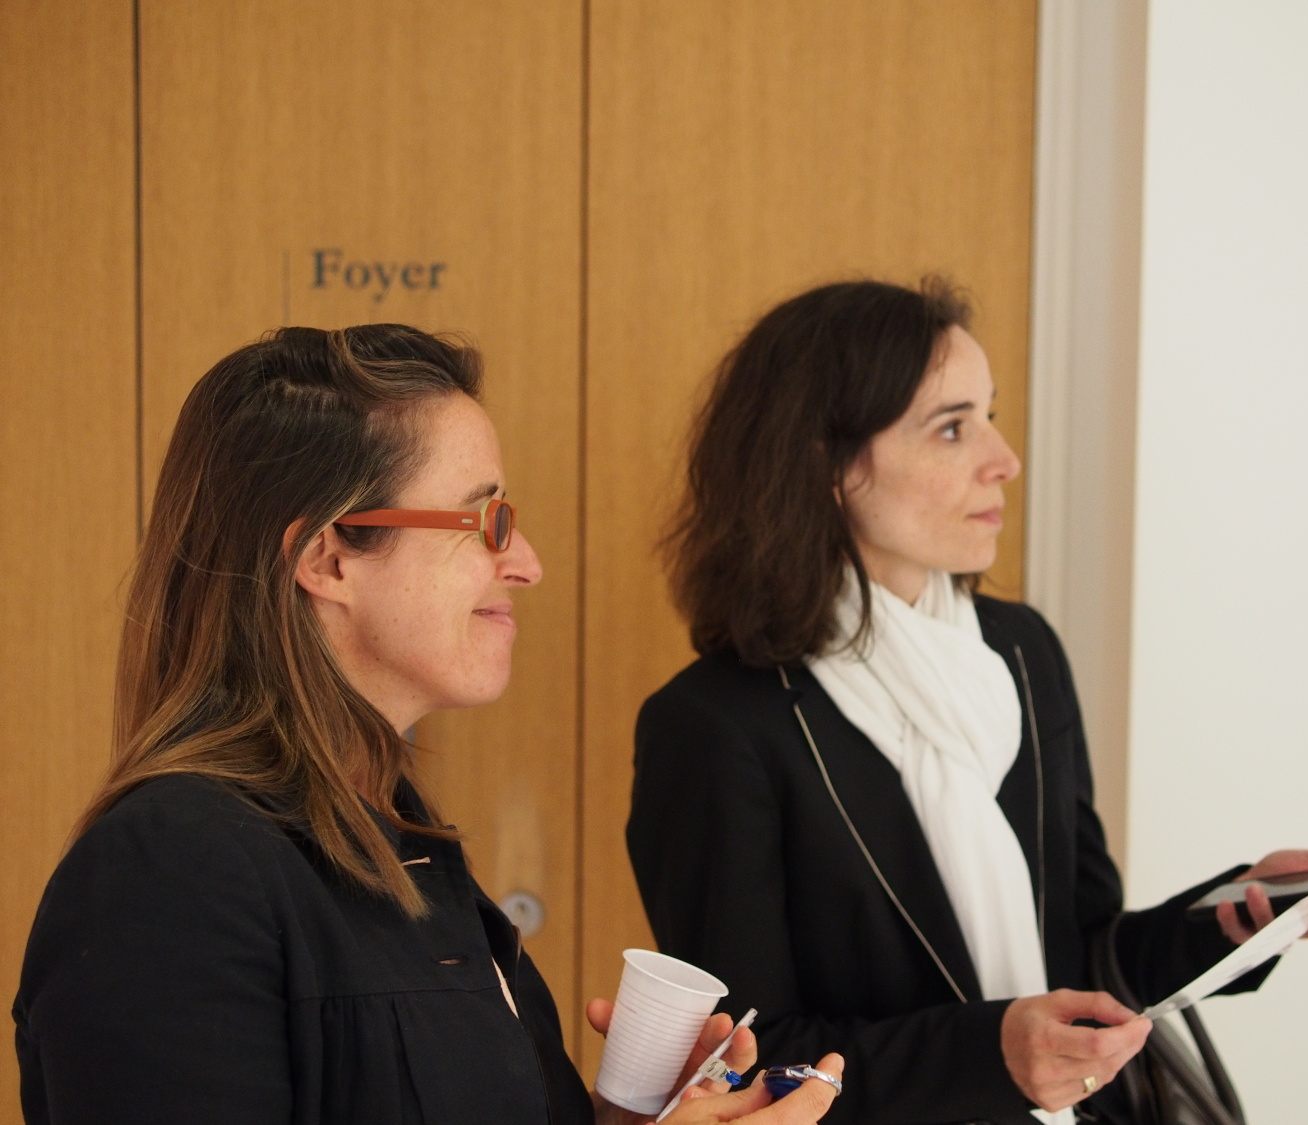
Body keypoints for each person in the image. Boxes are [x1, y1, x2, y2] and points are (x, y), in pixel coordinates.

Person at [13, 324, 843, 1124]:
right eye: (487, 522)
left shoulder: (402, 837)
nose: (526, 564)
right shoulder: (168, 871)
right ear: (328, 559)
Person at [627, 280, 1308, 1124]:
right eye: (953, 427)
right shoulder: (715, 727)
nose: (1005, 458)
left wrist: (1232, 918)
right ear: (828, 465)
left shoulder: (1021, 652)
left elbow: (1084, 952)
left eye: (990, 415)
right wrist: (993, 1055)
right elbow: (746, 1064)